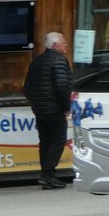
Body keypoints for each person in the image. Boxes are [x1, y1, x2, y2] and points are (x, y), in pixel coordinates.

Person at [22, 31, 73, 190]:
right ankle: (48, 174)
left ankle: (46, 175)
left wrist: (35, 104)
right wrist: (66, 107)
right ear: (56, 45)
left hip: (40, 109)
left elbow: (27, 88)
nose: (66, 45)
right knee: (58, 141)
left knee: (45, 142)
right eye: (63, 42)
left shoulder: (36, 61)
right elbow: (62, 87)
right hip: (54, 108)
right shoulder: (59, 61)